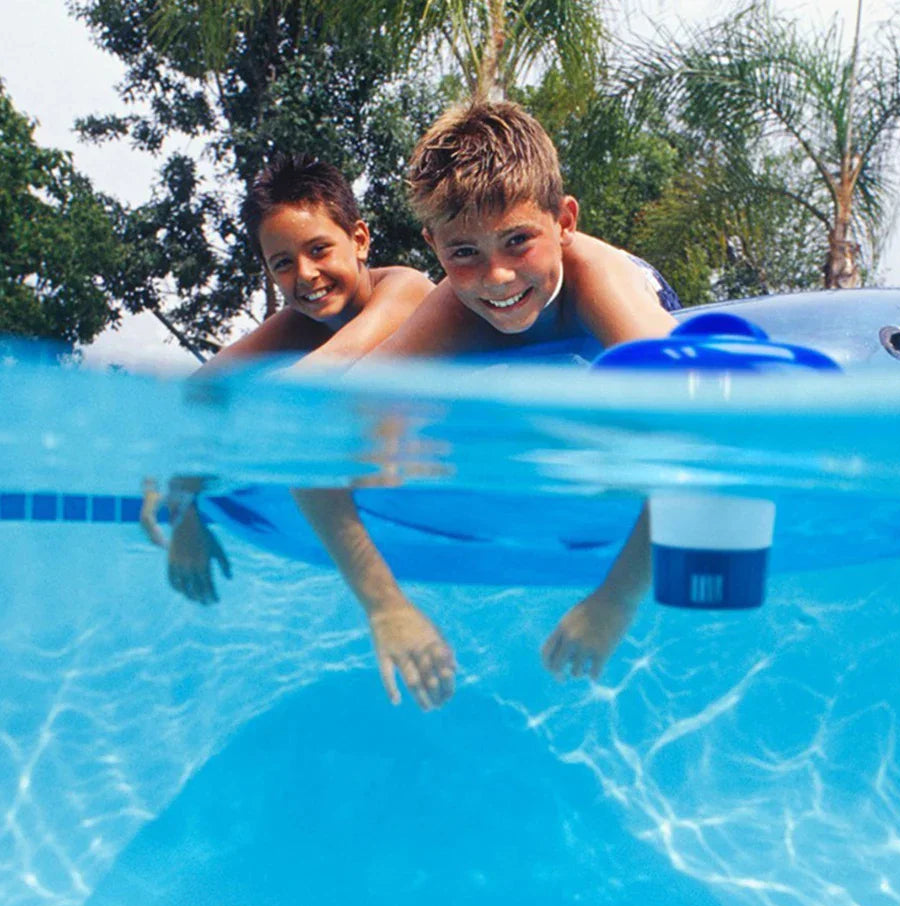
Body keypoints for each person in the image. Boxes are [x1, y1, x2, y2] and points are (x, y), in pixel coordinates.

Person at [362, 100, 680, 682]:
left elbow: (691, 428)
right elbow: (336, 422)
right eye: (464, 253)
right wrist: (386, 605)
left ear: (564, 221)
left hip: (623, 295)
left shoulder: (597, 282)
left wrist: (616, 599)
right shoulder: (455, 306)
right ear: (434, 245)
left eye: (517, 240)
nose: (497, 275)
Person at [142, 153, 456, 711]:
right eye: (282, 263)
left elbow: (312, 383)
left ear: (359, 239)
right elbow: (196, 395)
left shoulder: (404, 289)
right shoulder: (296, 325)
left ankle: (387, 605)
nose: (304, 276)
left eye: (318, 249)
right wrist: (182, 507)